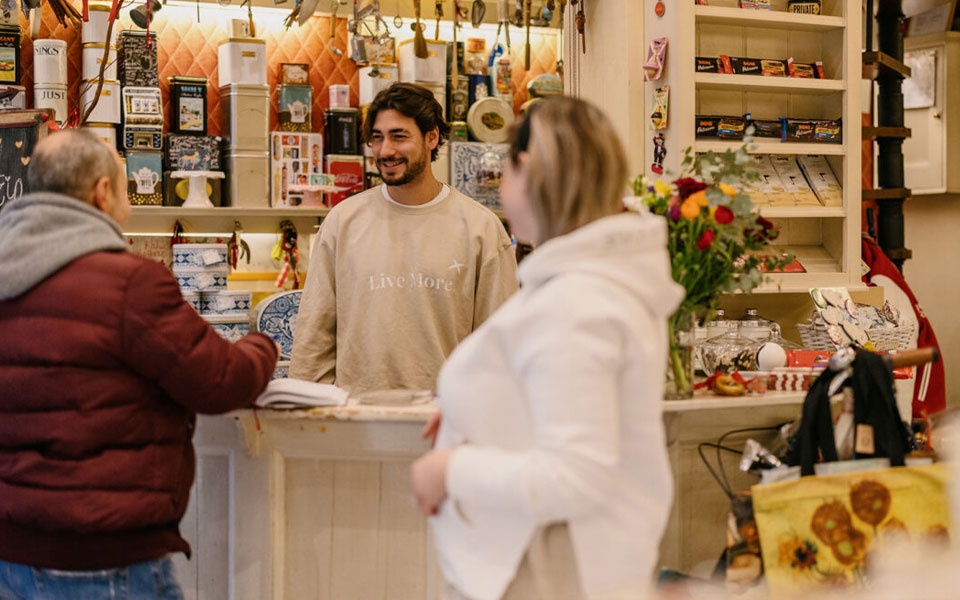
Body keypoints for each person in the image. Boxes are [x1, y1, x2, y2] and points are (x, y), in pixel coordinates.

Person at [410, 96, 685, 600]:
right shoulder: (590, 284)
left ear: (530, 170)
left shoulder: (577, 301)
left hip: (553, 567)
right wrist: (470, 404)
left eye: (504, 172)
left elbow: (575, 475)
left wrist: (450, 471)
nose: (499, 190)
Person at [0, 129, 278, 599]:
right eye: (127, 189)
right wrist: (263, 344)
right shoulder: (129, 283)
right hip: (107, 561)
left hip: (12, 556)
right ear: (102, 192)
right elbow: (222, 382)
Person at [290, 83, 518, 394]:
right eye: (377, 138)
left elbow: (500, 347)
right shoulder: (342, 222)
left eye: (399, 136)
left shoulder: (483, 230)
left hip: (443, 423)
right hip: (356, 423)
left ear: (432, 137)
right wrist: (306, 413)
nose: (385, 151)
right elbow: (313, 338)